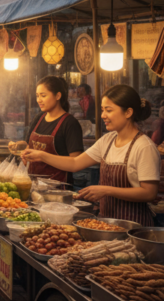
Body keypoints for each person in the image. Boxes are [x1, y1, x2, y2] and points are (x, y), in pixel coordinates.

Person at [23, 85, 160, 226]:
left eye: (109, 110)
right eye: (102, 110)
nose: (103, 115)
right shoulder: (108, 140)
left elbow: (149, 193)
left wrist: (106, 190)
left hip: (134, 226)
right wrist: (41, 155)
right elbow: (75, 163)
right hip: (106, 223)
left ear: (128, 112)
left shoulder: (144, 147)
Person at [16, 76, 84, 184]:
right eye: (37, 96)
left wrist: (42, 156)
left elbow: (77, 162)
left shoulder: (70, 123)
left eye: (43, 95)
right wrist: (25, 156)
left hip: (58, 191)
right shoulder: (39, 118)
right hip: (32, 185)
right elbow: (29, 147)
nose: (39, 100)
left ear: (58, 95)